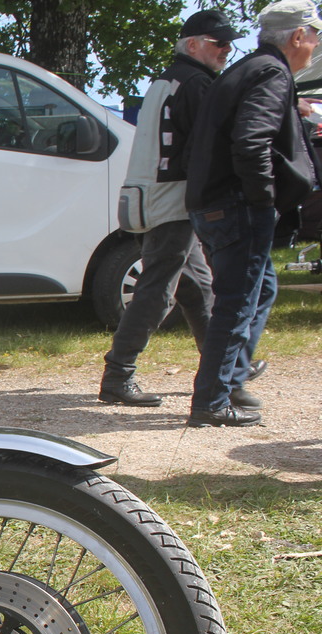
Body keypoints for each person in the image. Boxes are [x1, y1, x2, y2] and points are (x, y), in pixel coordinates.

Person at [185, 0, 322, 427]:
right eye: (315, 35)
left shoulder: (245, 69)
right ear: (297, 36)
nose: (317, 45)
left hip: (213, 203)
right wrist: (263, 200)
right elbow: (251, 142)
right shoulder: (271, 73)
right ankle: (211, 401)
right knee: (237, 301)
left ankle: (230, 380)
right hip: (237, 206)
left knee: (258, 291)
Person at [101, 10, 245, 407]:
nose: (227, 50)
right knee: (157, 292)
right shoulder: (196, 83)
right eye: (219, 43)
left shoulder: (169, 79)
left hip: (157, 195)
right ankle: (118, 374)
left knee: (198, 287)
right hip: (172, 199)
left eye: (229, 44)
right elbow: (207, 146)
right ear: (194, 45)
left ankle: (225, 366)